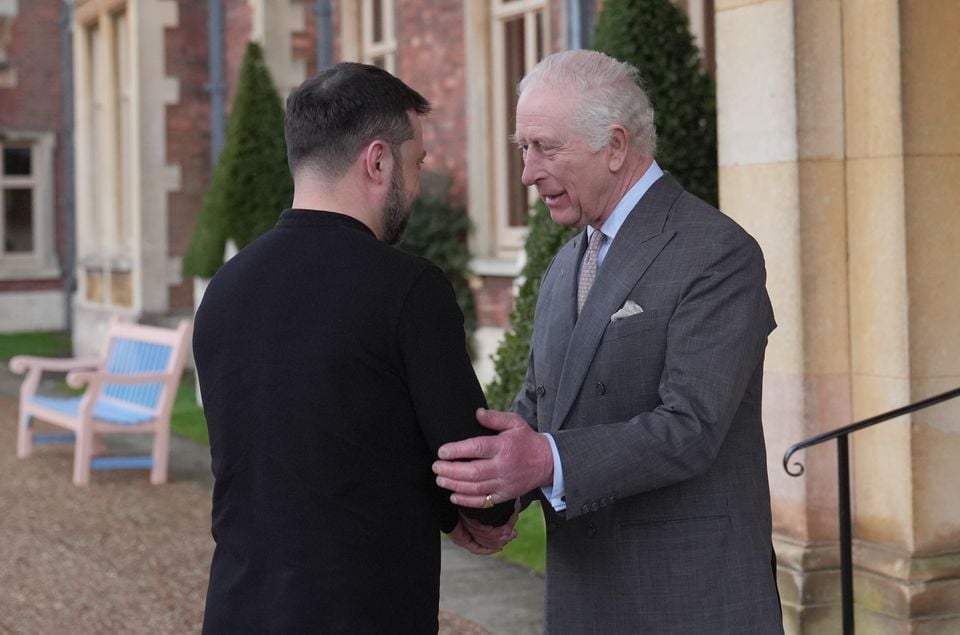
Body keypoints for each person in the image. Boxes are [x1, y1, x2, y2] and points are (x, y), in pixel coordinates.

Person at [433, 49, 784, 633]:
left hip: (690, 604)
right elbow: (541, 408)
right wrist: (490, 496)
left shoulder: (716, 252)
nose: (527, 171)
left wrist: (543, 459)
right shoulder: (565, 264)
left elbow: (691, 427)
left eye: (545, 147)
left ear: (616, 146)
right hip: (583, 601)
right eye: (524, 148)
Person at [194, 62, 515, 634]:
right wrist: (485, 513)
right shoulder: (408, 289)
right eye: (415, 163)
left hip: (239, 609)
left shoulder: (226, 287)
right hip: (361, 612)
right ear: (377, 160)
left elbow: (286, 440)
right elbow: (469, 463)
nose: (415, 184)